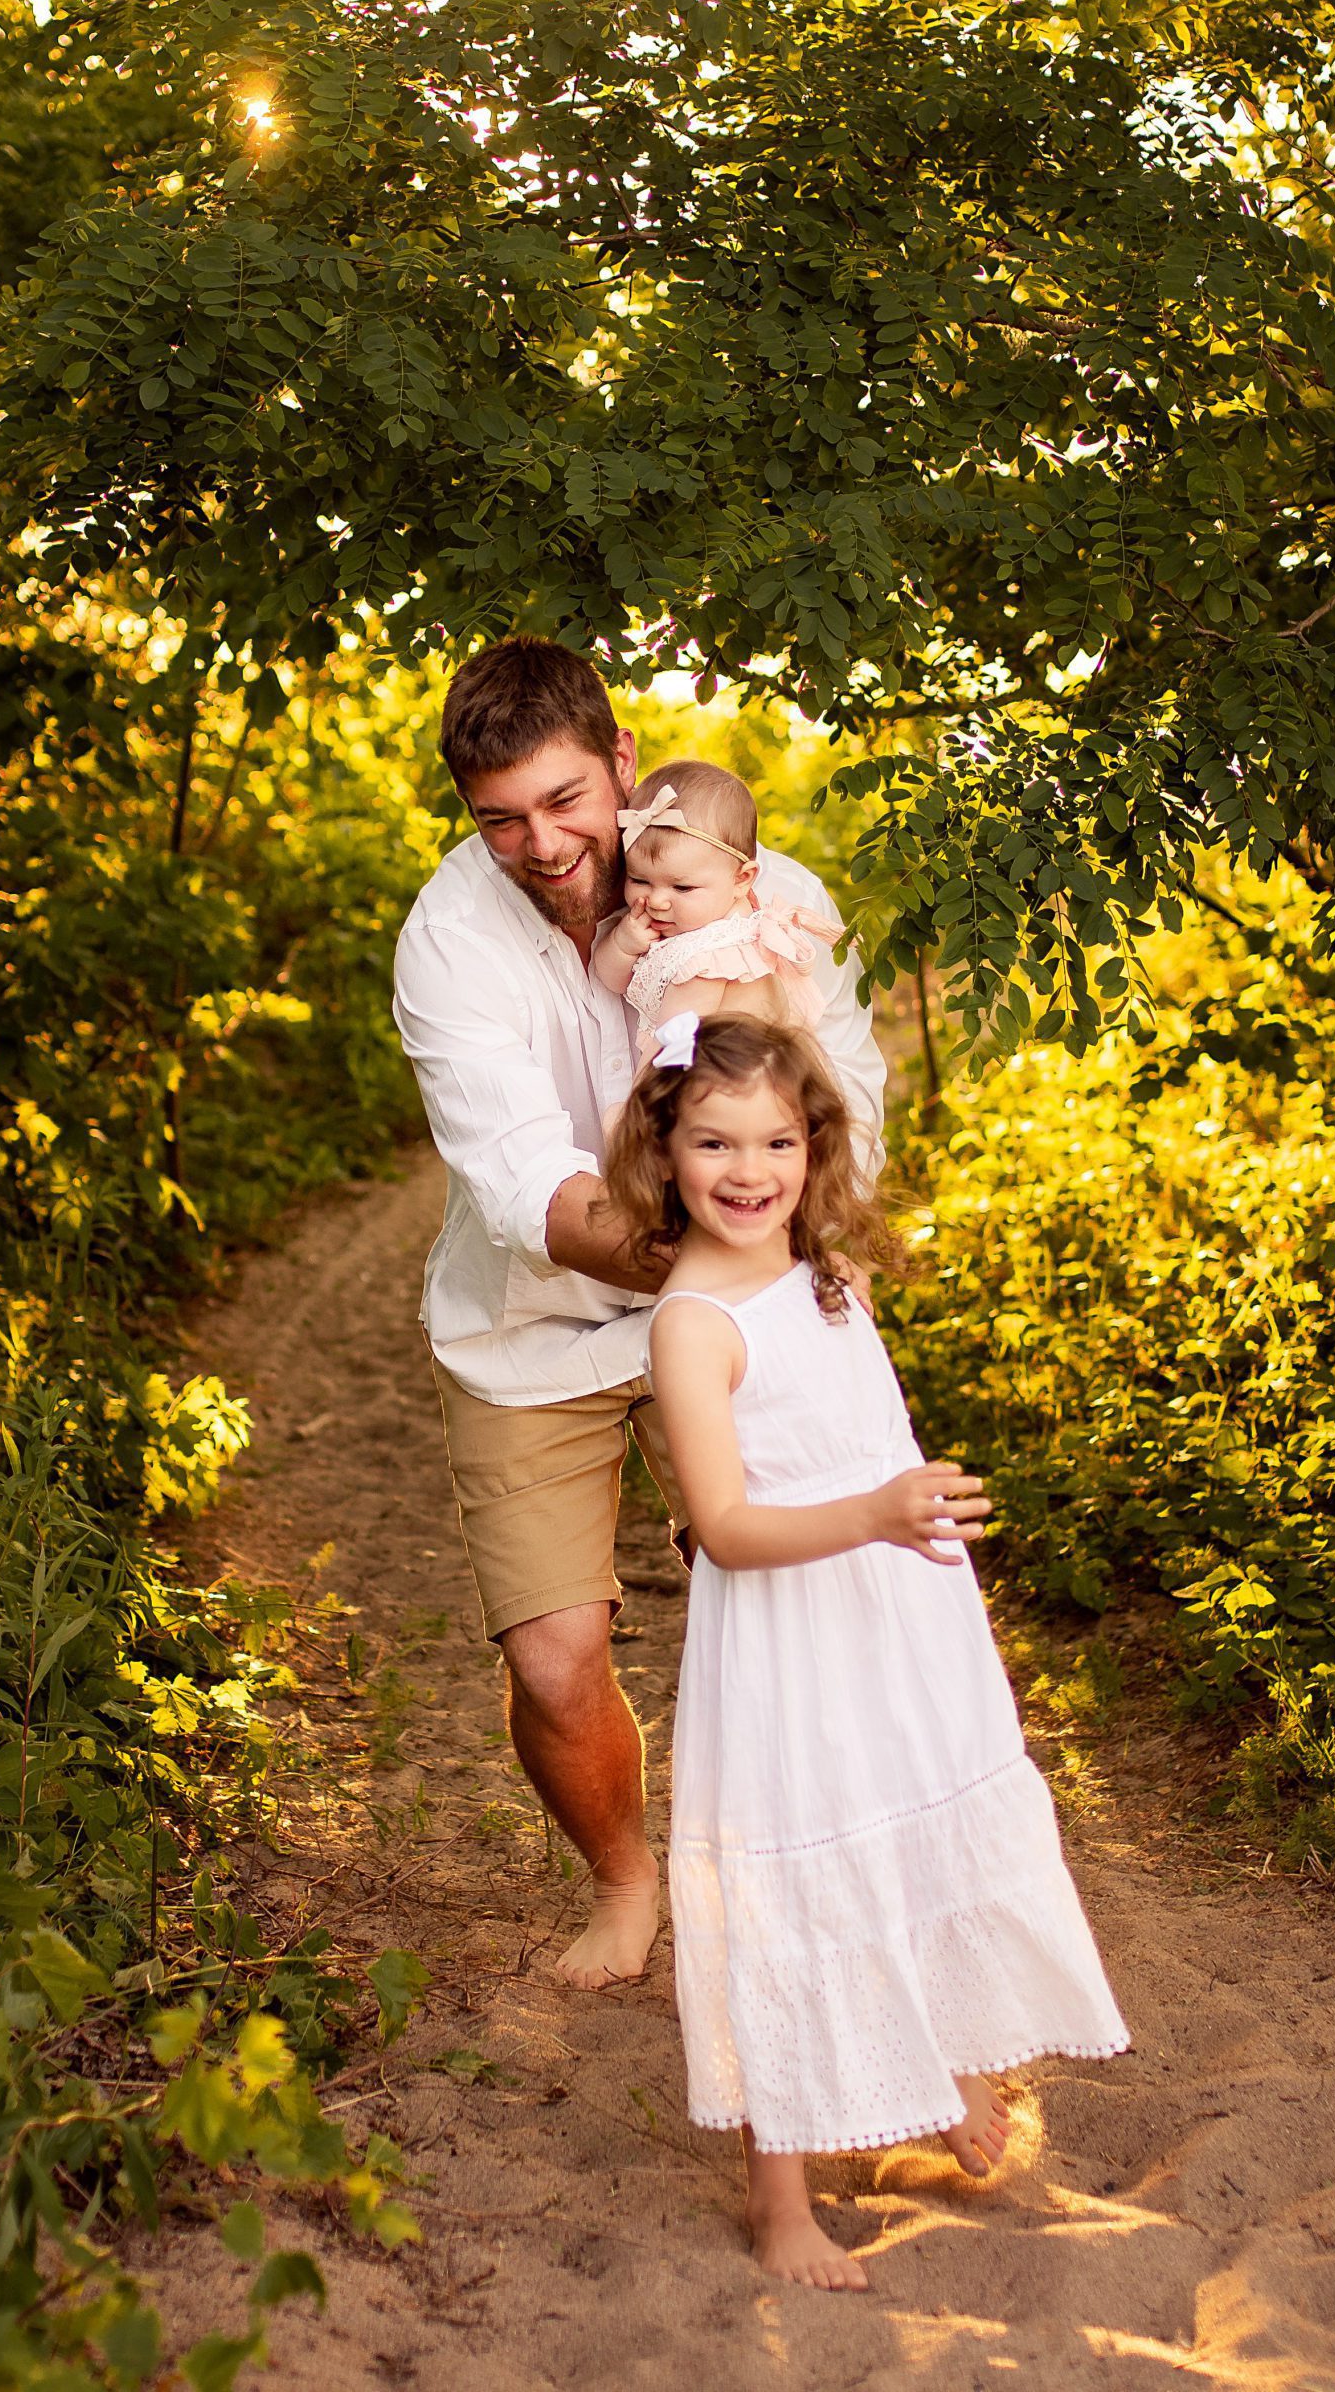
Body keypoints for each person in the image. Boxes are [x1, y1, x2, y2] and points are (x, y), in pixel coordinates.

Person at [605, 1014, 1129, 2290]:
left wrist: (906, 1528)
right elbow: (722, 1527)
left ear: (814, 1144)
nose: (748, 1168)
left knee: (903, 1823)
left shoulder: (826, 1270)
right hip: (794, 1636)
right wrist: (881, 1514)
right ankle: (781, 2201)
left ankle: (937, 2065)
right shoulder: (690, 1324)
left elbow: (861, 1425)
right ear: (663, 1151)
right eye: (713, 1140)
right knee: (794, 1875)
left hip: (898, 1619)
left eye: (776, 1139)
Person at [391, 638, 886, 1990]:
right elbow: (523, 1187)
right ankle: (628, 1886)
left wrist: (768, 1248)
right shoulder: (447, 942)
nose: (542, 843)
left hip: (745, 1311)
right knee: (554, 1663)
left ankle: (834, 1888)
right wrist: (707, 1250)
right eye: (499, 817)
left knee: (824, 1605)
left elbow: (848, 1089)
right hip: (535, 1325)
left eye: (565, 801)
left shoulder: (760, 888)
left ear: (621, 765)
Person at [591, 758, 841, 1069]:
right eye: (639, 879)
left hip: (730, 1091)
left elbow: (671, 1056)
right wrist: (624, 944)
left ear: (741, 880)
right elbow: (608, 979)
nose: (656, 900)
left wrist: (639, 1113)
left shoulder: (712, 960)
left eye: (681, 888)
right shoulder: (687, 928)